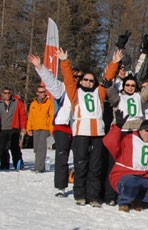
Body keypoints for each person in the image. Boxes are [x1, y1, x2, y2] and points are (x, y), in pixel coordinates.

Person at [59, 48, 122, 207]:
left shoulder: (99, 93)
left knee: (95, 166)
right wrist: (64, 62)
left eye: (91, 80)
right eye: (85, 80)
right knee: (81, 165)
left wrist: (114, 63)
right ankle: (80, 194)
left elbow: (107, 77)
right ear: (80, 81)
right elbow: (68, 79)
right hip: (81, 132)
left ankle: (93, 196)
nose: (88, 82)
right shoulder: (75, 92)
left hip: (98, 133)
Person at [103, 112, 148, 212]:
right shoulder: (128, 139)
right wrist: (118, 127)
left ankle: (140, 200)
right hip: (124, 174)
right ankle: (124, 201)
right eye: (147, 130)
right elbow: (109, 142)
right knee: (131, 182)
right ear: (140, 130)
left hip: (144, 176)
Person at [27, 54, 75, 196]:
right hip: (62, 125)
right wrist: (40, 67)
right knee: (62, 156)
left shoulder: (85, 92)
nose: (77, 80)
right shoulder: (63, 89)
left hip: (80, 127)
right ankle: (61, 187)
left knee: (81, 157)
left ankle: (80, 184)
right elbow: (51, 82)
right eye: (75, 77)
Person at [26, 86, 54, 172]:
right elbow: (30, 116)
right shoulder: (33, 104)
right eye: (41, 92)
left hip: (45, 128)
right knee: (36, 148)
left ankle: (39, 167)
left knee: (41, 148)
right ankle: (38, 165)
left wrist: (51, 129)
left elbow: (51, 116)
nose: (43, 93)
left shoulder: (49, 102)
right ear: (37, 93)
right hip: (35, 128)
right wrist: (29, 128)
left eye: (44, 92)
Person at [0, 87, 27, 170]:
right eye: (5, 93)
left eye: (8, 93)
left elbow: (23, 116)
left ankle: (18, 163)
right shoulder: (0, 103)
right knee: (2, 148)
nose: (7, 95)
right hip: (2, 129)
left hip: (14, 128)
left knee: (15, 147)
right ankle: (4, 164)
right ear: (2, 94)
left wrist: (23, 127)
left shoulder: (17, 102)